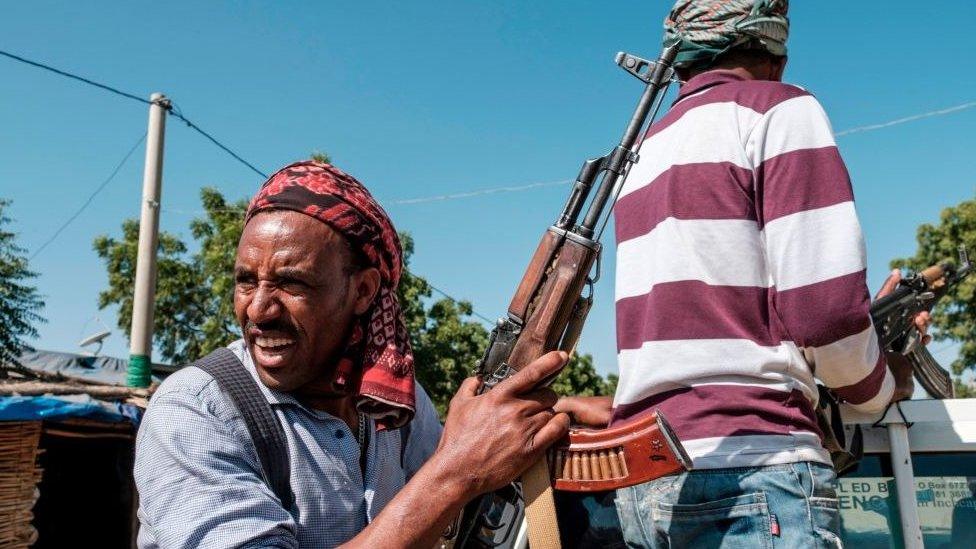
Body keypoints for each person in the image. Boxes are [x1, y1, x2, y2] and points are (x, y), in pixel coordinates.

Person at [608, 1, 930, 547]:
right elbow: (824, 313)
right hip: (754, 468)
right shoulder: (780, 109)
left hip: (645, 482)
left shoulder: (643, 150)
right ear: (774, 50)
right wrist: (881, 387)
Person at [133, 161, 572, 548]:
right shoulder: (196, 410)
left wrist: (544, 413)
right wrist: (454, 472)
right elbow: (451, 478)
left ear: (362, 291)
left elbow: (457, 500)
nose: (259, 310)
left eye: (292, 283)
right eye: (246, 281)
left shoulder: (400, 408)